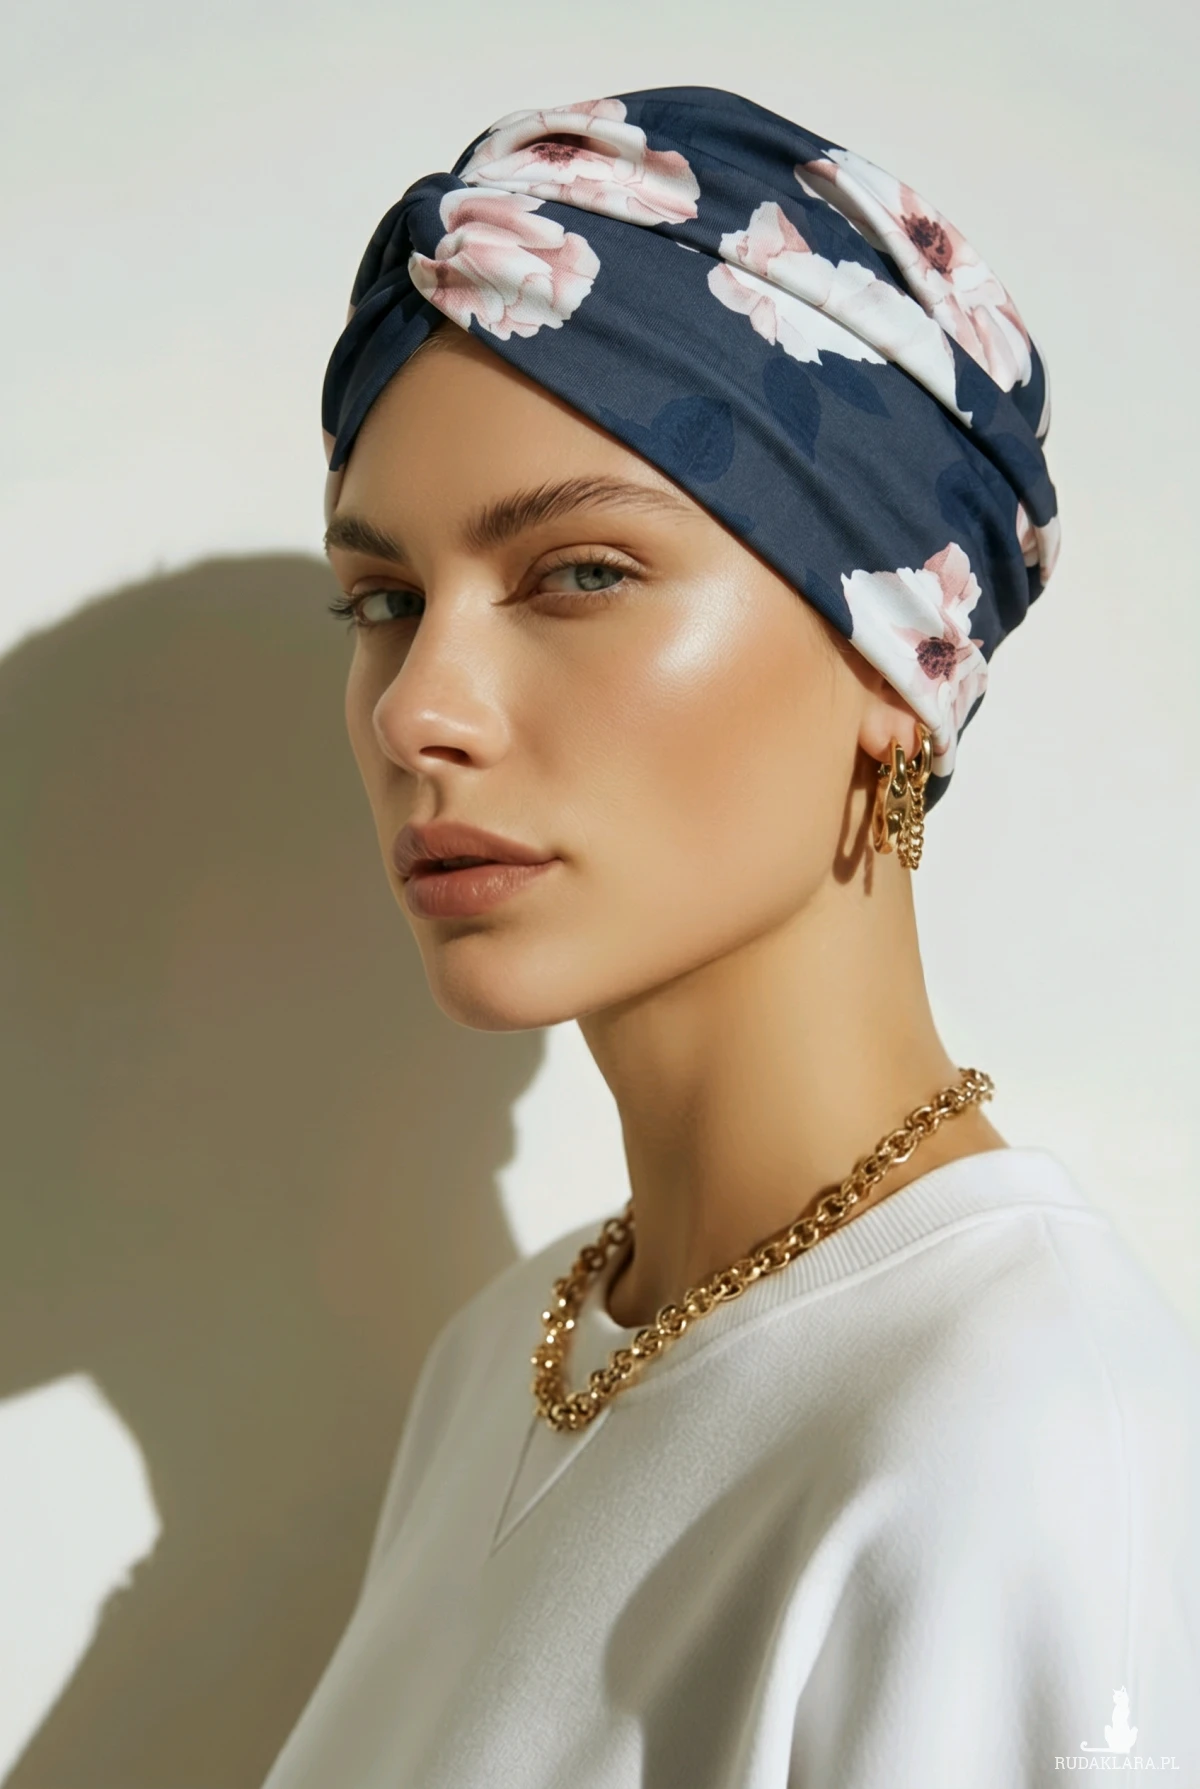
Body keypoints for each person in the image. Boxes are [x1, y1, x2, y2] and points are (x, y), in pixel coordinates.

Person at [261, 87, 1200, 1787]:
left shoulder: (1025, 1436)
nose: (416, 711)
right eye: (383, 602)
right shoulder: (509, 1360)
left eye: (579, 574)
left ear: (898, 663)